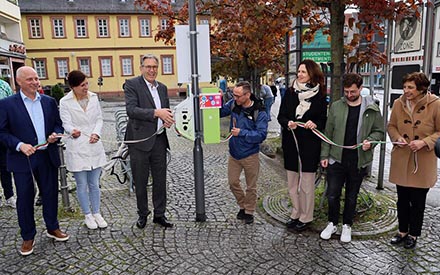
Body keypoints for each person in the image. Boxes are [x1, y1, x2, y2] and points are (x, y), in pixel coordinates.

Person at [0, 66, 69, 256]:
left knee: (50, 193)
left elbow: (57, 123)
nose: (35, 82)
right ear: (19, 82)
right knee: (25, 197)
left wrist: (55, 133)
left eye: (36, 78)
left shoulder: (48, 101)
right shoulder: (7, 104)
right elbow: (2, 132)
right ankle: (28, 236)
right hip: (22, 158)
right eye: (29, 79)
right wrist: (19, 144)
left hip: (47, 155)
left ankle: (52, 227)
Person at [320, 73, 384, 243]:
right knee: (332, 194)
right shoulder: (335, 106)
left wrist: (370, 142)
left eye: (353, 92)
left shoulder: (371, 109)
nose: (349, 95)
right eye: (346, 91)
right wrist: (324, 155)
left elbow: (379, 131)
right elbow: (328, 132)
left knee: (351, 195)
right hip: (336, 158)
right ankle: (332, 222)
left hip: (358, 160)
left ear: (360, 89)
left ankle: (347, 225)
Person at [387, 72, 440, 249]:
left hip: (422, 161)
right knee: (402, 199)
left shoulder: (436, 104)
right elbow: (391, 125)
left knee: (418, 201)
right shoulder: (398, 103)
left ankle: (414, 234)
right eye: (405, 87)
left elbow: (439, 132)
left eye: (410, 87)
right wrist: (397, 137)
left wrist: (424, 142)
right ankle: (402, 231)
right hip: (402, 157)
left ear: (421, 88)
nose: (406, 91)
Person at [124, 54, 175, 229]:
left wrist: (167, 120)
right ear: (141, 68)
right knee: (140, 180)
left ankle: (159, 214)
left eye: (154, 67)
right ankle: (142, 214)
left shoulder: (162, 87)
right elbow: (131, 110)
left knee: (160, 181)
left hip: (159, 140)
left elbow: (165, 110)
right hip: (139, 141)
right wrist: (156, 113)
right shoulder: (132, 85)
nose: (151, 70)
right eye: (148, 67)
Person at [277, 59, 328, 231]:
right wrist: (288, 123)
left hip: (309, 145)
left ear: (312, 74)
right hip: (291, 143)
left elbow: (323, 119)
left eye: (303, 72)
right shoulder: (290, 92)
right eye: (298, 71)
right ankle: (295, 213)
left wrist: (314, 123)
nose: (299, 74)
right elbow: (281, 116)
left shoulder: (320, 95)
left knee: (306, 183)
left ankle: (306, 217)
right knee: (292, 183)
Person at [59, 70, 108, 230]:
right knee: (82, 184)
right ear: (73, 87)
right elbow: (65, 123)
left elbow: (99, 118)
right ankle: (87, 214)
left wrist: (96, 133)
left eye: (87, 83)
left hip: (94, 145)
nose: (86, 87)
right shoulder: (65, 102)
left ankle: (97, 212)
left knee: (94, 183)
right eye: (82, 85)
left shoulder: (93, 97)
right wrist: (72, 130)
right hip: (78, 145)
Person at [220, 81, 268, 224]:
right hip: (234, 154)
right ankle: (242, 205)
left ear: (247, 95)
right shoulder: (234, 104)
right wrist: (214, 101)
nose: (235, 98)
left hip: (250, 155)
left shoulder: (260, 112)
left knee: (251, 187)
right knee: (233, 182)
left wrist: (242, 133)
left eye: (238, 96)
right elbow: (220, 112)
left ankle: (249, 211)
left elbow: (261, 135)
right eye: (234, 95)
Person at [0, 79, 16, 208]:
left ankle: (9, 195)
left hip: (3, 132)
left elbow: (12, 107)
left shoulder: (4, 86)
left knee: (5, 166)